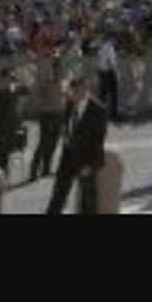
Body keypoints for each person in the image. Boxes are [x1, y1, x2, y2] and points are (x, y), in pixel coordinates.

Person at [46, 73, 109, 215]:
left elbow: (98, 141)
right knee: (58, 196)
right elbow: (67, 128)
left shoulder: (98, 110)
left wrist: (90, 165)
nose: (68, 95)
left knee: (88, 201)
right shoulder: (69, 104)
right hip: (68, 157)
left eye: (72, 92)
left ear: (82, 90)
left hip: (87, 159)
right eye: (69, 92)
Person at [27, 56, 65, 182]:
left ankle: (46, 168)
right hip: (47, 113)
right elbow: (37, 93)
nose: (59, 68)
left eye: (60, 66)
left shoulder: (63, 79)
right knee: (44, 142)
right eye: (57, 66)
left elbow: (65, 94)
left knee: (53, 141)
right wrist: (39, 105)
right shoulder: (45, 78)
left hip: (59, 112)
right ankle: (34, 170)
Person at [0, 69, 24, 170]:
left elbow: (24, 90)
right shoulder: (2, 88)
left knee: (5, 146)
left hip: (7, 120)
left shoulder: (10, 87)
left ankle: (1, 165)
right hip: (3, 119)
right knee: (0, 145)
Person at [95, 36, 121, 124]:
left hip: (101, 71)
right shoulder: (110, 47)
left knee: (103, 94)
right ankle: (113, 114)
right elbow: (112, 62)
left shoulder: (101, 46)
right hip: (108, 72)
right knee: (113, 94)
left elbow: (98, 60)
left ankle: (100, 114)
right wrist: (117, 73)